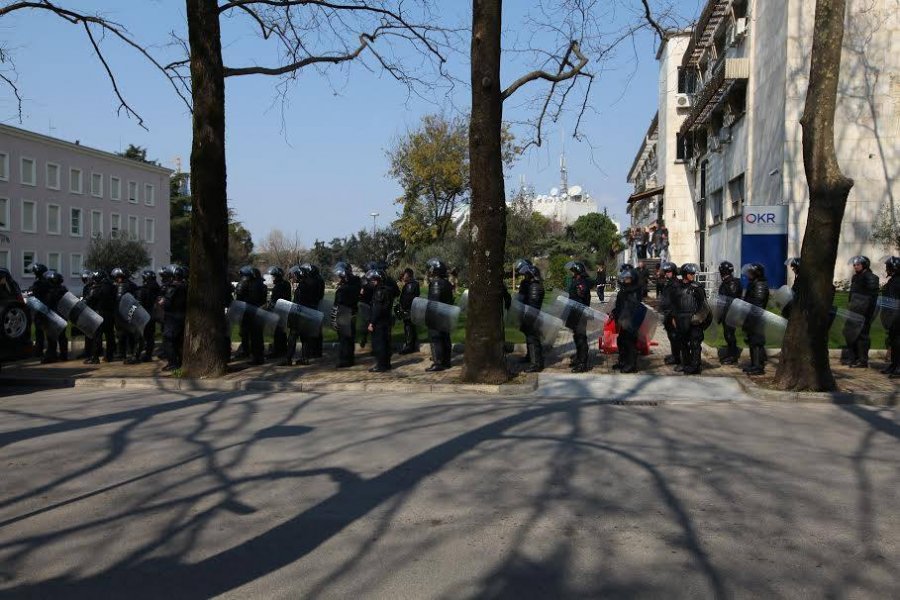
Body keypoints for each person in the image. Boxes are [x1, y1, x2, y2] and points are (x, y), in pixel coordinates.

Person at [674, 263, 711, 375]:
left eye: (693, 273)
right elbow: (675, 304)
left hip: (694, 321)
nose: (693, 275)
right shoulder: (677, 287)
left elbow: (704, 306)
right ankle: (686, 364)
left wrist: (698, 318)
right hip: (681, 320)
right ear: (684, 274)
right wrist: (674, 318)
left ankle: (695, 366)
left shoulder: (697, 288)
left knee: (695, 344)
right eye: (690, 273)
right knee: (683, 344)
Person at [844, 255, 880, 368]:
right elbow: (853, 294)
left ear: (864, 265)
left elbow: (872, 297)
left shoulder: (871, 277)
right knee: (850, 333)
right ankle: (853, 358)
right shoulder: (855, 277)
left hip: (864, 312)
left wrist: (868, 313)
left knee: (862, 335)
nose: (855, 267)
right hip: (854, 310)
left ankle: (863, 360)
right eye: (854, 265)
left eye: (858, 264)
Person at [610, 266, 642, 373]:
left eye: (628, 278)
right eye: (625, 278)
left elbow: (632, 307)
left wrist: (626, 319)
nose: (625, 280)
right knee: (621, 341)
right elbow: (620, 305)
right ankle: (623, 361)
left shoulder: (634, 291)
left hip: (631, 321)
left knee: (630, 343)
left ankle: (632, 365)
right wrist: (615, 312)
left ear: (632, 279)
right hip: (623, 320)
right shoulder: (624, 290)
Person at [425, 258, 454, 371]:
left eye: (431, 269)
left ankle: (438, 362)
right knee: (445, 337)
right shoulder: (447, 283)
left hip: (437, 315)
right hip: (445, 314)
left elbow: (434, 300)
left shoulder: (436, 283)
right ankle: (446, 361)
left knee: (436, 338)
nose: (430, 271)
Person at [516, 260, 545, 373]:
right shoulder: (529, 284)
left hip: (532, 317)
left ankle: (536, 364)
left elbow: (533, 305)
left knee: (533, 339)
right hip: (529, 315)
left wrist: (528, 318)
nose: (525, 276)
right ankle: (530, 357)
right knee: (529, 338)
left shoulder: (535, 287)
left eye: (527, 274)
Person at [741, 263, 770, 375]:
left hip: (757, 317)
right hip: (751, 316)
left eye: (750, 273)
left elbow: (757, 303)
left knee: (756, 341)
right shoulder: (753, 283)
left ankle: (758, 366)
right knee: (752, 341)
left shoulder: (760, 285)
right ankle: (754, 364)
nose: (748, 274)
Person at [366, 268, 396, 372]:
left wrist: (371, 323)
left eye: (374, 279)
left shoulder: (379, 292)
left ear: (378, 280)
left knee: (379, 344)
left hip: (379, 322)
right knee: (386, 343)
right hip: (386, 320)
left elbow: (377, 309)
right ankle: (386, 364)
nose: (372, 281)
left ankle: (381, 365)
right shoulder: (387, 290)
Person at [332, 261, 361, 368]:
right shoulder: (356, 283)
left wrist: (334, 319)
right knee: (350, 338)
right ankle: (350, 359)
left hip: (344, 314)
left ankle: (345, 360)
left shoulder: (343, 290)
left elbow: (337, 305)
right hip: (352, 313)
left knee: (344, 339)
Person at [565, 261, 592, 373]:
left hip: (580, 314)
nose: (572, 274)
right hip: (575, 313)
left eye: (573, 272)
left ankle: (583, 363)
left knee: (581, 338)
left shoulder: (582, 283)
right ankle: (578, 358)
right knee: (577, 336)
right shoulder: (577, 281)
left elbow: (582, 298)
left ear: (577, 272)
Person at [160, 265, 187, 371]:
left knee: (168, 340)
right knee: (179, 341)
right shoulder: (185, 286)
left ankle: (173, 363)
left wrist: (162, 302)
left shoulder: (173, 287)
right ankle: (179, 361)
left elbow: (167, 303)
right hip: (182, 316)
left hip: (172, 317)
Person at [86, 270, 116, 364]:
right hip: (110, 314)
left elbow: (91, 299)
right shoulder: (112, 286)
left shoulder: (98, 288)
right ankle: (109, 356)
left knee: (97, 336)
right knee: (109, 335)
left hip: (99, 313)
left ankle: (95, 357)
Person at [111, 268, 140, 363]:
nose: (116, 280)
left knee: (124, 334)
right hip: (125, 313)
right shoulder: (132, 285)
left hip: (124, 313)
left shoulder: (122, 286)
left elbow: (119, 299)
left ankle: (127, 353)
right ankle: (125, 353)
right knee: (122, 334)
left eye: (117, 278)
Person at [718, 261, 743, 364]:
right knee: (727, 334)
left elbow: (731, 300)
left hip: (731, 314)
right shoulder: (727, 282)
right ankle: (730, 353)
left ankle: (733, 356)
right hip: (727, 313)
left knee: (729, 335)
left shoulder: (732, 283)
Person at [42, 270, 68, 363]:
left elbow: (47, 304)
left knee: (51, 337)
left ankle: (52, 356)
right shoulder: (64, 290)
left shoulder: (50, 292)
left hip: (54, 317)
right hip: (63, 317)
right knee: (62, 337)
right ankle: (64, 355)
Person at [880, 256, 899, 379]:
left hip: (898, 317)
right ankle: (894, 364)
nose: (886, 269)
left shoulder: (898, 281)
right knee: (894, 341)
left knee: (898, 341)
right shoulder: (893, 281)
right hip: (893, 317)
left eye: (888, 267)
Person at [658, 261, 681, 367]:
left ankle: (677, 358)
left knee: (675, 336)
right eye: (666, 271)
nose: (667, 273)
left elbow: (677, 302)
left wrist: (674, 317)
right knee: (671, 336)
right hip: (667, 314)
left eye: (669, 271)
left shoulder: (675, 284)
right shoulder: (668, 282)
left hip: (673, 315)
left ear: (674, 272)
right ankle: (674, 355)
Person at [266, 266, 291, 359]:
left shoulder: (279, 286)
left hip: (279, 311)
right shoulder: (286, 284)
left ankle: (278, 351)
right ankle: (282, 350)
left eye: (274, 277)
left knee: (278, 332)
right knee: (282, 332)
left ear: (278, 276)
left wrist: (269, 307)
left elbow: (275, 300)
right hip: (284, 310)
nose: (272, 278)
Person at [27, 262, 50, 359]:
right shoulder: (47, 282)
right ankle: (47, 350)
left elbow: (32, 292)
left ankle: (39, 350)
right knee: (46, 331)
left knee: (39, 332)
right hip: (46, 309)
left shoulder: (39, 283)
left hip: (40, 310)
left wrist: (29, 291)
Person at [137, 270, 160, 362]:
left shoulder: (145, 289)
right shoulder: (157, 288)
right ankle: (148, 354)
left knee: (142, 335)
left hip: (145, 313)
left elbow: (141, 301)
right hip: (152, 313)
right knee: (150, 336)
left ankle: (138, 354)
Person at [397, 268, 421, 354]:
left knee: (408, 328)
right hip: (411, 309)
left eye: (404, 275)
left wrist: (404, 309)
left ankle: (409, 346)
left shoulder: (411, 285)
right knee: (410, 327)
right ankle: (412, 345)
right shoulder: (412, 284)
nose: (403, 276)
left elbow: (408, 298)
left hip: (409, 310)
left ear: (408, 275)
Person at [76, 270, 95, 359]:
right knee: (88, 333)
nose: (85, 280)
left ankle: (92, 352)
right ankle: (88, 351)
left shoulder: (93, 287)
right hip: (87, 312)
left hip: (93, 312)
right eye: (84, 279)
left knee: (92, 333)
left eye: (86, 279)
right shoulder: (87, 287)